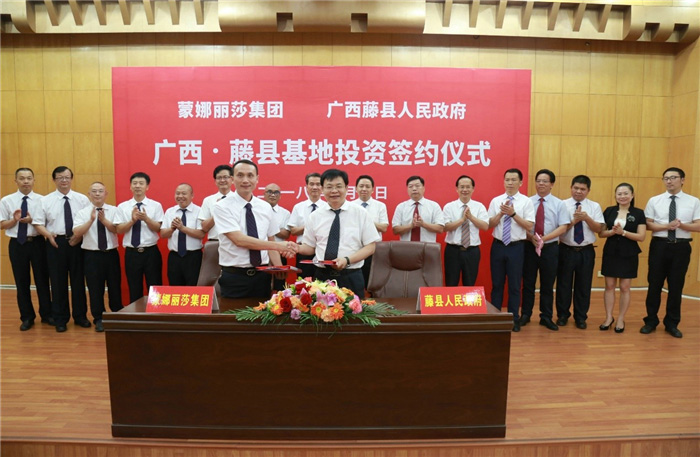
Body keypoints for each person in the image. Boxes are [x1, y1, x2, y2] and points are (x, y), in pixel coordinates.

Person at [212, 160, 297, 298]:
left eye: (250, 175)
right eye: (240, 175)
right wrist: (279, 246)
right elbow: (239, 240)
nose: (245, 180)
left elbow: (270, 239)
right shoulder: (221, 206)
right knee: (233, 312)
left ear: (257, 179)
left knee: (263, 311)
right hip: (235, 277)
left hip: (262, 276)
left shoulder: (265, 207)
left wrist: (279, 268)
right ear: (232, 179)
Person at [298, 169, 380, 298]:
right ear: (322, 189)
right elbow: (309, 247)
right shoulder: (315, 216)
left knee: (354, 311)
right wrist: (295, 248)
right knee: (320, 310)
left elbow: (371, 246)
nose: (334, 191)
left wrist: (347, 260)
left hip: (351, 276)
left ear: (347, 188)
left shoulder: (360, 213)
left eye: (338, 186)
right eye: (329, 187)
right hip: (322, 277)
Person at [641, 167, 700, 338]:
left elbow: (698, 225)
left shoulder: (693, 201)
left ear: (682, 180)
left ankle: (672, 323)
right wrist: (667, 226)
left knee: (676, 286)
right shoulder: (655, 200)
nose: (669, 181)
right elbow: (648, 224)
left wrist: (682, 225)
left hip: (681, 247)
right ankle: (651, 321)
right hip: (659, 246)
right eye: (666, 178)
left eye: (673, 177)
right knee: (654, 285)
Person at [33, 166, 91, 333]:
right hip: (55, 243)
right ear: (54, 180)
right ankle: (60, 318)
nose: (64, 180)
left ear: (71, 179)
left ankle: (80, 316)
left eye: (67, 177)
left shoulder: (82, 199)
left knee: (78, 281)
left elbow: (89, 221)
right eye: (60, 177)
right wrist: (48, 236)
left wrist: (79, 236)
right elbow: (38, 223)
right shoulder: (45, 201)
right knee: (58, 282)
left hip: (77, 242)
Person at [0, 167, 53, 331]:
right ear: (15, 181)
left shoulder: (42, 200)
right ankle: (27, 317)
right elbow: (2, 224)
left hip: (38, 243)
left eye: (29, 178)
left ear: (34, 180)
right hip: (17, 244)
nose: (25, 181)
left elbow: (47, 223)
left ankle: (47, 314)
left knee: (42, 280)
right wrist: (14, 220)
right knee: (21, 281)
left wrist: (31, 221)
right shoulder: (6, 200)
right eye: (22, 178)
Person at [520, 169, 570, 331]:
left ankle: (546, 316)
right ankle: (525, 314)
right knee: (528, 283)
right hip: (530, 246)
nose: (541, 184)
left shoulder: (559, 204)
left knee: (547, 284)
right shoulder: (527, 202)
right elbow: (521, 225)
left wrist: (544, 239)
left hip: (550, 248)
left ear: (552, 184)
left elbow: (563, 227)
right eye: (538, 181)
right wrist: (531, 237)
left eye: (545, 181)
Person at [487, 168, 535, 332]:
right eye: (507, 179)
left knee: (515, 285)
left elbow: (529, 225)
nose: (510, 183)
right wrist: (501, 214)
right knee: (497, 284)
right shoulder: (496, 201)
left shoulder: (526, 202)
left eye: (514, 180)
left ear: (520, 182)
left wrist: (513, 214)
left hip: (516, 247)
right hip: (498, 246)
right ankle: (495, 318)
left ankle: (514, 318)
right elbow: (490, 224)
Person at [72, 182, 123, 332]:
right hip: (91, 256)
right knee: (95, 288)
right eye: (94, 191)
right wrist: (90, 220)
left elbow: (117, 230)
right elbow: (77, 232)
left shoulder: (114, 210)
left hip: (111, 254)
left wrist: (104, 221)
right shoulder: (83, 213)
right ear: (89, 194)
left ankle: (117, 314)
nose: (97, 194)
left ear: (106, 194)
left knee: (114, 286)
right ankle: (99, 318)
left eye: (100, 191)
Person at [555, 175, 605, 330]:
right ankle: (562, 315)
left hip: (586, 251)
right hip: (566, 249)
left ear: (588, 190)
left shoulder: (594, 206)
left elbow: (599, 229)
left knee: (583, 285)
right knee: (563, 284)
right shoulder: (562, 204)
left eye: (582, 189)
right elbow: (558, 229)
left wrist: (586, 218)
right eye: (576, 188)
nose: (578, 191)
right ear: (571, 188)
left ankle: (581, 317)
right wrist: (574, 221)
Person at [598, 183, 646, 334]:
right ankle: (608, 317)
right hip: (611, 252)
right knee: (609, 286)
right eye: (619, 194)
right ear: (615, 196)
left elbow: (641, 236)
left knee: (625, 287)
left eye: (626, 193)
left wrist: (623, 232)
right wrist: (613, 232)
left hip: (629, 254)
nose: (622, 196)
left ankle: (620, 319)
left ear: (632, 195)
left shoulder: (639, 213)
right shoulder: (609, 211)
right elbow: (601, 233)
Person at [114, 172, 164, 303]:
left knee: (155, 288)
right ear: (130, 186)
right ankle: (136, 314)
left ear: (147, 187)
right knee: (134, 288)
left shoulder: (156, 205)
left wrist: (146, 219)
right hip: (132, 253)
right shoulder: (122, 207)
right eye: (134, 183)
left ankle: (156, 314)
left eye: (141, 183)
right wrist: (132, 221)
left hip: (151, 252)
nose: (137, 186)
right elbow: (119, 230)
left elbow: (159, 229)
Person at [442, 175, 488, 287]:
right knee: (451, 284)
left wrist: (471, 217)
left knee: (469, 285)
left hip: (472, 251)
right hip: (453, 251)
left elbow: (485, 226)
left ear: (473, 189)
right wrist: (462, 220)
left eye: (468, 187)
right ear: (456, 189)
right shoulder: (449, 207)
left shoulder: (479, 206)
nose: (465, 190)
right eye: (462, 187)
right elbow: (444, 227)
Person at [160, 183, 205, 286]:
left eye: (184, 193)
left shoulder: (199, 211)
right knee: (175, 288)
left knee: (193, 288)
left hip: (193, 257)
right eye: (177, 193)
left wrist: (182, 228)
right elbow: (162, 234)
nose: (180, 196)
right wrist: (172, 228)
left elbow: (201, 234)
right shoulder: (170, 211)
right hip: (174, 257)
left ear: (192, 195)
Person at [351, 175, 388, 287]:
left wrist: (367, 221)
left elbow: (384, 227)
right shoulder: (350, 206)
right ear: (356, 189)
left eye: (367, 186)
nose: (364, 189)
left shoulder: (380, 206)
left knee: (372, 281)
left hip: (374, 249)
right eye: (361, 186)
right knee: (355, 280)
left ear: (372, 189)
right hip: (355, 248)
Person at [288, 172, 328, 278]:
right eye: (311, 184)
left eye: (318, 184)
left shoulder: (328, 207)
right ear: (306, 187)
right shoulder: (298, 207)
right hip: (303, 251)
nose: (315, 187)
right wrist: (310, 226)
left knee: (323, 283)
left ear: (322, 187)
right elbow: (293, 231)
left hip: (322, 250)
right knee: (304, 282)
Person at [392, 176, 445, 242]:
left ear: (423, 188)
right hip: (406, 246)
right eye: (410, 186)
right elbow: (395, 230)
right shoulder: (401, 207)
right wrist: (411, 226)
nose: (414, 189)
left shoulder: (434, 206)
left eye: (417, 186)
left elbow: (440, 229)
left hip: (427, 246)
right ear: (407, 190)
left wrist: (423, 224)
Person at [263, 183, 292, 291]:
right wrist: (277, 229)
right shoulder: (258, 211)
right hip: (261, 252)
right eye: (269, 192)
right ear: (264, 194)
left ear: (280, 196)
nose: (272, 195)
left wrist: (268, 228)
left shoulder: (285, 213)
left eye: (276, 192)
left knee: (279, 285)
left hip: (280, 252)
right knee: (263, 284)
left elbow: (286, 234)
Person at [198, 164, 233, 242]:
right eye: (219, 178)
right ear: (215, 181)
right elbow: (204, 228)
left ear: (232, 179)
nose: (222, 180)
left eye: (225, 177)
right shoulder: (208, 200)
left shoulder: (238, 199)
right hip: (215, 242)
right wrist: (218, 211)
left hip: (234, 242)